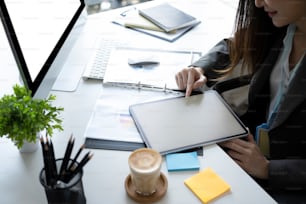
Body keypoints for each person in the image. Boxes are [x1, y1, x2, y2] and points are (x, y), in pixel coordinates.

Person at [175, 0, 306, 202]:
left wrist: (269, 169)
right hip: (250, 155)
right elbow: (237, 43)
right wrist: (200, 69)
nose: (258, 3)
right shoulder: (284, 25)